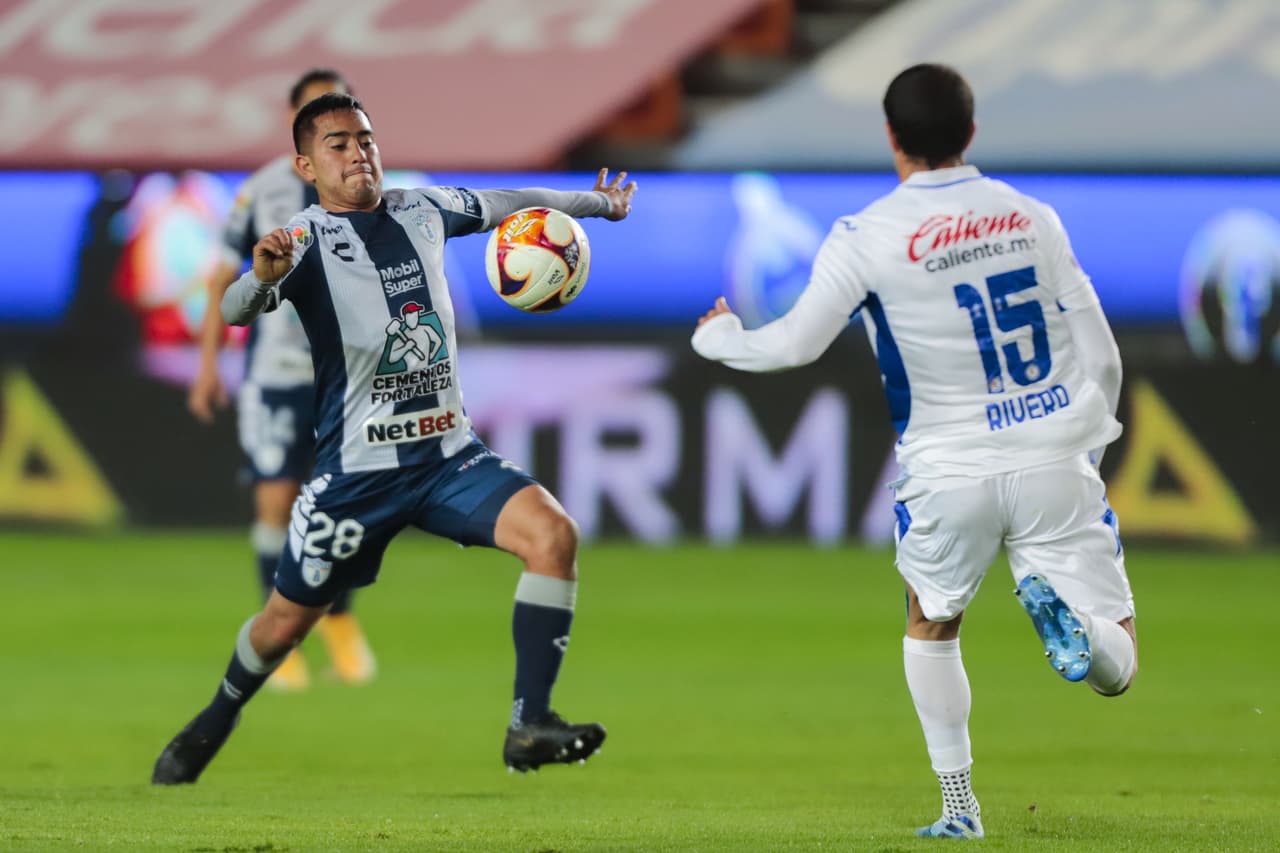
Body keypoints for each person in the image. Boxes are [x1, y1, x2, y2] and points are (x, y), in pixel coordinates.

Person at [690, 64, 1137, 840]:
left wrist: (720, 338)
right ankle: (1082, 632)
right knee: (1118, 658)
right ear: (970, 132)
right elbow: (1102, 357)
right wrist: (1086, 448)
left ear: (892, 138)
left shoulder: (867, 236)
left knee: (930, 620)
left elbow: (794, 344)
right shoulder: (1033, 218)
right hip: (1054, 454)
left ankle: (959, 807)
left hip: (945, 471)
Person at [152, 92, 637, 785]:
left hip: (448, 457)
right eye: (338, 145)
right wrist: (260, 278)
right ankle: (215, 717)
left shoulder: (421, 209)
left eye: (366, 139)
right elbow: (233, 307)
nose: (359, 154)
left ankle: (530, 722)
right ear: (306, 165)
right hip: (357, 475)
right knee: (283, 626)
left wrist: (594, 205)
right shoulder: (305, 240)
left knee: (554, 536)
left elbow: (507, 200)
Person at [188, 68, 375, 690]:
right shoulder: (260, 191)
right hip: (276, 372)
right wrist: (209, 366)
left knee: (341, 506)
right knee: (275, 500)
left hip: (347, 375)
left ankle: (340, 621)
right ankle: (283, 637)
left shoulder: (371, 190)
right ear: (299, 131)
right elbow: (222, 278)